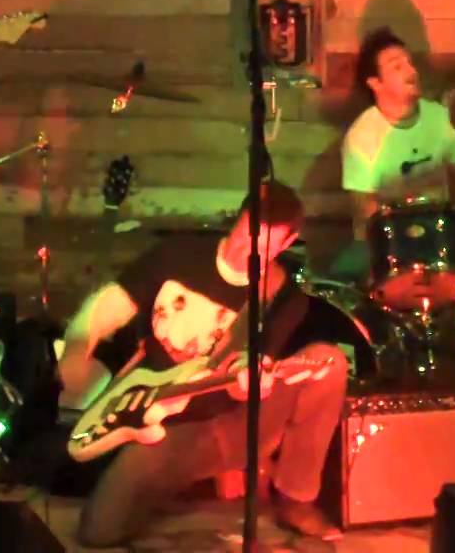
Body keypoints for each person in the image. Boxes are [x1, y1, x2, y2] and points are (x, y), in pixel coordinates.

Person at [57, 180, 348, 546]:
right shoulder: (177, 254)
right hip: (160, 421)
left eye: (266, 245)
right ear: (238, 218)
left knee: (329, 362)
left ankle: (295, 498)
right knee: (99, 532)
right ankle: (170, 485)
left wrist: (247, 381)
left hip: (229, 424)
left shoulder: (282, 297)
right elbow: (109, 306)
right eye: (247, 236)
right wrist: (76, 351)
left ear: (287, 244)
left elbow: (249, 368)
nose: (250, 251)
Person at [328, 27, 455, 411]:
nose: (411, 70)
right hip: (384, 247)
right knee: (332, 287)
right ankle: (365, 399)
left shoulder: (442, 119)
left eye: (410, 62)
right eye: (396, 66)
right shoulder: (363, 136)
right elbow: (365, 215)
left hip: (443, 241)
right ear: (375, 83)